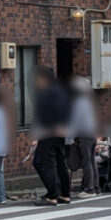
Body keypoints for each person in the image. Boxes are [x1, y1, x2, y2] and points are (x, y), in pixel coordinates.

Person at [31, 67, 72, 205]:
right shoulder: (61, 91)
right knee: (61, 163)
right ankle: (65, 194)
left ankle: (52, 196)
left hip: (48, 131)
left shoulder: (44, 93)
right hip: (61, 131)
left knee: (48, 164)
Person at [67, 76, 100, 197]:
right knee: (91, 160)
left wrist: (69, 138)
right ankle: (96, 187)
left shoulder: (79, 101)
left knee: (87, 162)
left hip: (84, 134)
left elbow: (75, 120)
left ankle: (89, 189)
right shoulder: (89, 100)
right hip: (91, 133)